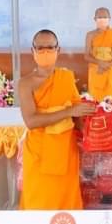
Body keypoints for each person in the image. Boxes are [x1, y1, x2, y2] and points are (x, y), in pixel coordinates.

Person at [17, 29, 96, 210]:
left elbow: (78, 114)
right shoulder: (25, 83)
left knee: (65, 202)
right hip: (39, 151)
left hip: (65, 151)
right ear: (33, 51)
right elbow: (31, 121)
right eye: (41, 48)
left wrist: (91, 136)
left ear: (58, 50)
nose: (46, 52)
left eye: (50, 47)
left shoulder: (66, 77)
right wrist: (68, 112)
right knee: (39, 201)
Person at [85, 7, 112, 101]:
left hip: (111, 70)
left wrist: (108, 64)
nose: (102, 19)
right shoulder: (90, 35)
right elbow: (86, 56)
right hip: (96, 71)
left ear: (109, 18)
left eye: (105, 17)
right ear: (95, 19)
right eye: (99, 17)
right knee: (96, 101)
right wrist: (100, 63)